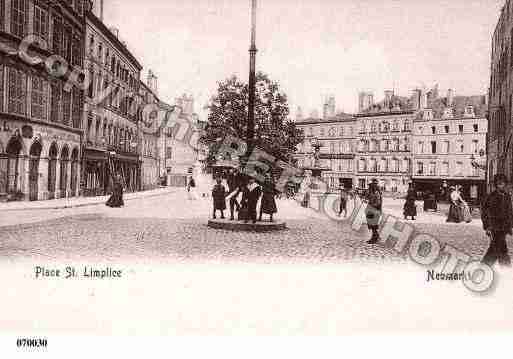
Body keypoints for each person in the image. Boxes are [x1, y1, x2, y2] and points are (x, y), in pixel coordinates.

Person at [481, 174, 513, 266]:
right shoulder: (491, 197)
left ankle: (483, 267)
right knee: (501, 248)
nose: (501, 186)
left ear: (505, 184)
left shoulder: (507, 196)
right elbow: (484, 213)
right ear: (496, 185)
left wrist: (510, 226)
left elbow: (510, 212)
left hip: (504, 227)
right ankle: (505, 268)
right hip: (494, 227)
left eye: (502, 184)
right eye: (499, 184)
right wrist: (487, 227)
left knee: (495, 248)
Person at [366, 179, 383, 244]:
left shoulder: (377, 193)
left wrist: (371, 205)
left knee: (373, 225)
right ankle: (376, 237)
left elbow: (378, 203)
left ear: (374, 186)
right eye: (369, 186)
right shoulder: (371, 192)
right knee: (372, 225)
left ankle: (374, 238)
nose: (369, 187)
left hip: (375, 210)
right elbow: (367, 197)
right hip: (371, 210)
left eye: (370, 185)